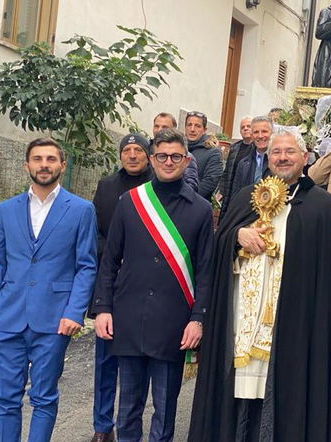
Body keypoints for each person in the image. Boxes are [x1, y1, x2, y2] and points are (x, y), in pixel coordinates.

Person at [189, 127, 331, 442]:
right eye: (276, 152)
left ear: (305, 157)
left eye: (290, 151)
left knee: (283, 392)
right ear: (267, 157)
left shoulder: (322, 206)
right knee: (237, 391)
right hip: (241, 323)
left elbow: (328, 278)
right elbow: (218, 246)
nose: (283, 157)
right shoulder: (246, 197)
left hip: (293, 326)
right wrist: (236, 236)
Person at [91, 129, 213, 442]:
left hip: (173, 323)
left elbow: (205, 270)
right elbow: (109, 261)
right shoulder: (131, 202)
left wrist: (198, 318)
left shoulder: (200, 210)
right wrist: (103, 308)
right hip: (129, 317)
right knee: (128, 408)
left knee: (164, 409)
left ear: (186, 161)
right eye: (162, 156)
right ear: (152, 159)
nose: (168, 162)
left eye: (175, 156)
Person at [0, 138, 98, 442]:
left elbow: (86, 266)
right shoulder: (6, 209)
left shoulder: (82, 210)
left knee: (44, 397)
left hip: (54, 319)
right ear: (27, 165)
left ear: (62, 165)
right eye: (38, 159)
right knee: (6, 398)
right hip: (8, 317)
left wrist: (74, 313)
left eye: (51, 159)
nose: (44, 165)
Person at [88, 134, 154, 442]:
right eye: (126, 150)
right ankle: (103, 426)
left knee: (137, 363)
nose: (131, 155)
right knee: (106, 359)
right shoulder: (106, 186)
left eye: (137, 150)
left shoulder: (157, 186)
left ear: (147, 155)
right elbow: (97, 232)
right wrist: (114, 252)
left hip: (147, 285)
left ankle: (131, 424)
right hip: (113, 281)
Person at [221, 116, 274, 216]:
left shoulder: (279, 161)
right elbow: (236, 195)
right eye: (256, 132)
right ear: (252, 135)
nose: (260, 136)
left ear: (272, 133)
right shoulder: (243, 164)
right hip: (247, 216)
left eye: (264, 131)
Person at [152, 112, 199, 193]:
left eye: (164, 127)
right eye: (156, 126)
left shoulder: (185, 156)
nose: (159, 130)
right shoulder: (144, 150)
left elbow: (191, 187)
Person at [184, 111, 223, 201]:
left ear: (204, 130)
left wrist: (187, 199)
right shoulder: (178, 148)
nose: (192, 129)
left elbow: (209, 183)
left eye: (197, 126)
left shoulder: (213, 153)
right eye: (189, 125)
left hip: (196, 204)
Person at [217, 116, 253, 209]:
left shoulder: (258, 149)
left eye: (248, 126)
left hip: (249, 194)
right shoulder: (234, 148)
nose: (245, 128)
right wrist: (221, 190)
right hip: (231, 192)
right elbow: (227, 171)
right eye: (242, 127)